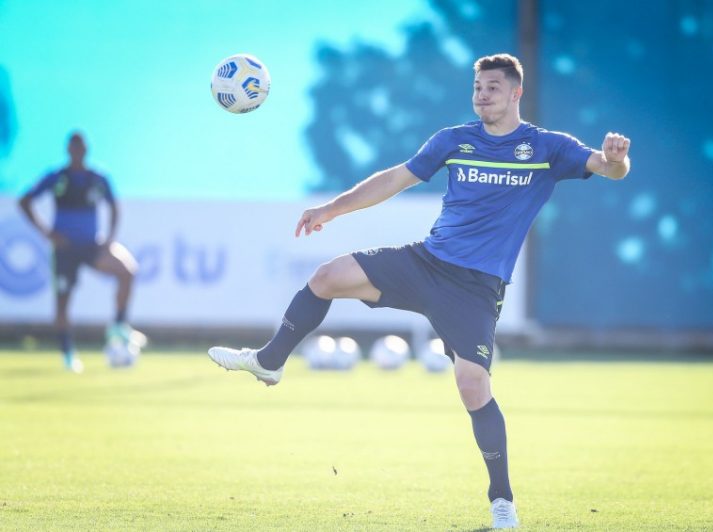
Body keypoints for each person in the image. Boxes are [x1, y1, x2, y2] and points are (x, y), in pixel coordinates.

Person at [208, 53, 630, 528]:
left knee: (473, 387)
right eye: (477, 86)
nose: (481, 94)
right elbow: (393, 179)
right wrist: (331, 209)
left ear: (516, 93)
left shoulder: (546, 147)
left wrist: (615, 159)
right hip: (425, 263)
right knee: (326, 276)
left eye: (492, 87)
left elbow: (606, 167)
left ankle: (502, 500)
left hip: (474, 288)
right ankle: (270, 361)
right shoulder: (454, 140)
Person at [18, 132, 144, 372]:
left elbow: (114, 206)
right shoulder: (57, 178)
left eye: (82, 147)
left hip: (91, 245)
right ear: (68, 150)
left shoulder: (98, 178)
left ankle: (118, 325)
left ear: (87, 150)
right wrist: (47, 233)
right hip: (65, 249)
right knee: (63, 303)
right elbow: (25, 201)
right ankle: (67, 354)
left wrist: (109, 238)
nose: (78, 151)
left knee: (127, 270)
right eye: (74, 147)